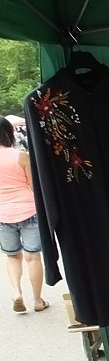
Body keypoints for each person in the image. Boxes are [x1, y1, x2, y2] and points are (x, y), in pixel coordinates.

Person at [0, 117, 46, 313]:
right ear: (9, 132)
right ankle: (37, 300)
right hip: (28, 210)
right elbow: (35, 188)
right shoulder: (22, 156)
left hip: (3, 214)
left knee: (13, 257)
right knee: (33, 257)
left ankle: (17, 293)